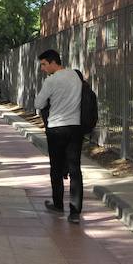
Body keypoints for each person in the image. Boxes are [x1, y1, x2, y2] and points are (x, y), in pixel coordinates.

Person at [34, 49, 84, 224]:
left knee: (56, 168)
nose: (42, 68)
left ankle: (57, 204)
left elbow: (38, 103)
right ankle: (75, 211)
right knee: (75, 169)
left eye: (44, 64)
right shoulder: (76, 76)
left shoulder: (51, 81)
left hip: (56, 128)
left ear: (53, 62)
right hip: (75, 127)